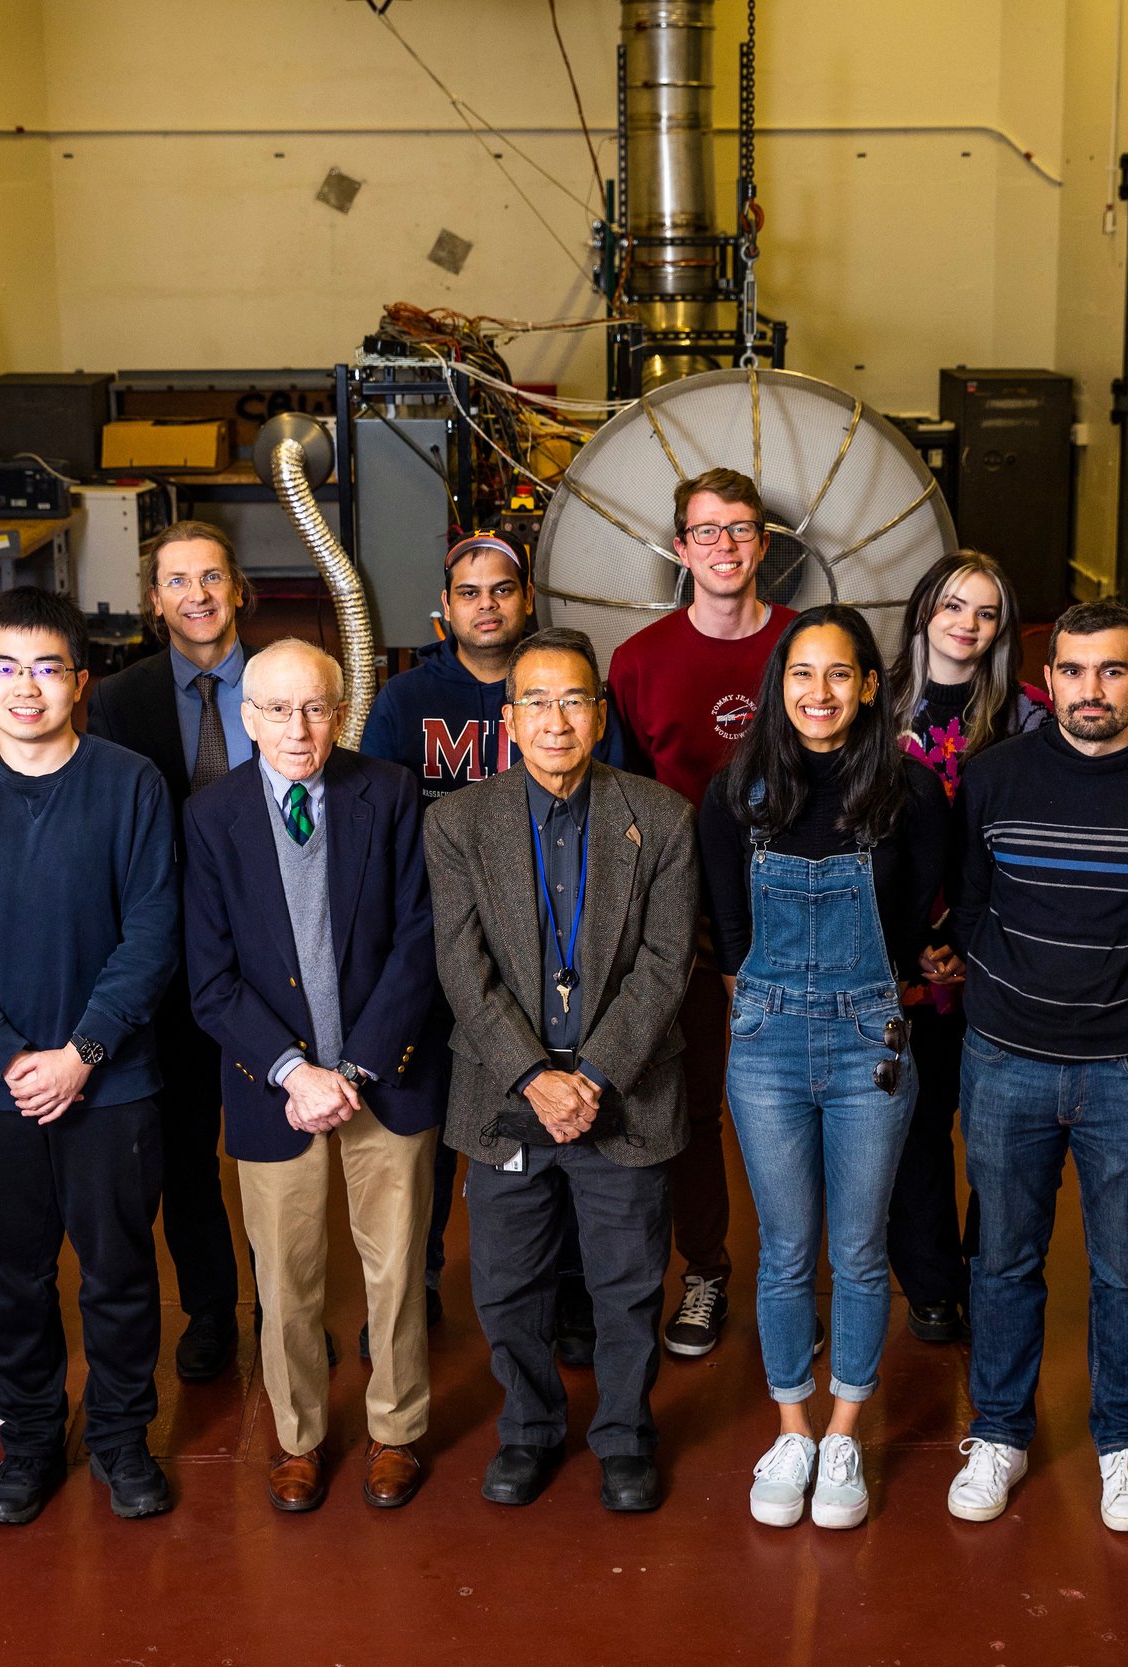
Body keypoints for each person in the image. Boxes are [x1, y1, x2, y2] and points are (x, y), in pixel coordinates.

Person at [943, 601, 1128, 1536]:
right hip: (1005, 1059)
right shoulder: (995, 779)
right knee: (1003, 1259)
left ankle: (1122, 1442)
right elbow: (973, 903)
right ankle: (998, 1432)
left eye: (1112, 671)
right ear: (1049, 679)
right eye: (1072, 671)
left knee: (1125, 1266)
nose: (1091, 689)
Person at [0, 587, 182, 1526]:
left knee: (118, 1272)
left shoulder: (130, 783)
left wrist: (82, 1052)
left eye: (48, 667)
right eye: (7, 669)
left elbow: (151, 931)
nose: (27, 688)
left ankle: (120, 1437)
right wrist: (12, 1055)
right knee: (13, 1277)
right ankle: (28, 1441)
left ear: (80, 682)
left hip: (112, 1085)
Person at [427, 628, 698, 1514]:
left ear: (599, 712)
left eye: (572, 700)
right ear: (508, 722)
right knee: (507, 1285)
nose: (555, 719)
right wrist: (536, 1076)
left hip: (627, 1093)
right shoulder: (459, 821)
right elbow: (462, 969)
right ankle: (530, 1430)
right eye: (535, 702)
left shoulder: (659, 819)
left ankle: (623, 1437)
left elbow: (667, 964)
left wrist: (596, 1075)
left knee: (626, 1286)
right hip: (507, 1096)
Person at [184, 640, 449, 1514]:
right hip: (276, 1092)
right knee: (286, 1279)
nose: (299, 729)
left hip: (386, 1078)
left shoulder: (391, 791)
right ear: (245, 716)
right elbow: (210, 978)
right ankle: (297, 1439)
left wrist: (359, 1066)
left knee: (397, 1271)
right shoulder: (211, 816)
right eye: (277, 709)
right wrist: (298, 1072)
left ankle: (396, 1429)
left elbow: (420, 942)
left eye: (316, 708)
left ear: (341, 711)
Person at [702, 605, 949, 1529]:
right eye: (801, 675)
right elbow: (730, 934)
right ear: (779, 686)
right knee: (785, 1250)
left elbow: (924, 909)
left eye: (839, 674)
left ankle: (845, 1426)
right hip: (765, 1043)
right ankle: (791, 1425)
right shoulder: (736, 795)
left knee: (857, 1247)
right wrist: (770, 1010)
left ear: (870, 685)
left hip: (869, 1042)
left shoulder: (911, 796)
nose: (819, 693)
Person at [359, 531, 622, 1351]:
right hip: (441, 942)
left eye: (501, 588)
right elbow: (375, 817)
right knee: (431, 1123)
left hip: (549, 943)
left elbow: (619, 804)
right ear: (445, 604)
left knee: (564, 1112)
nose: (486, 603)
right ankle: (422, 1278)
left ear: (527, 597)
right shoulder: (407, 700)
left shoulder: (564, 685)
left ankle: (573, 1287)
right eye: (468, 591)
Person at [607, 465, 796, 1358]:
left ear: (764, 544)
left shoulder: (808, 644)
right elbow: (624, 804)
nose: (724, 545)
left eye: (740, 528)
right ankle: (708, 1268)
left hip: (796, 909)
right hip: (681, 917)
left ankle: (797, 1279)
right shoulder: (638, 663)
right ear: (681, 548)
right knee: (688, 1100)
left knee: (800, 1101)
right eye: (706, 530)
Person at [85, 520, 253, 1384]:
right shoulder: (121, 701)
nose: (198, 595)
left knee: (278, 1147)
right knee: (187, 1150)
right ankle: (213, 1310)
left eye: (213, 576)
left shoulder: (281, 681)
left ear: (238, 588)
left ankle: (290, 1310)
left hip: (276, 956)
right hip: (174, 959)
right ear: (155, 600)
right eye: (178, 580)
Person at [883, 549, 1046, 1345]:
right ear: (923, 609)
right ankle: (930, 1280)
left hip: (994, 950)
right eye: (953, 606)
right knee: (913, 1121)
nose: (968, 625)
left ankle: (987, 1266)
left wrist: (961, 936)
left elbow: (1040, 840)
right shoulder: (871, 705)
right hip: (893, 954)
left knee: (995, 1124)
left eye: (986, 612)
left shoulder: (1028, 715)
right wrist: (913, 940)